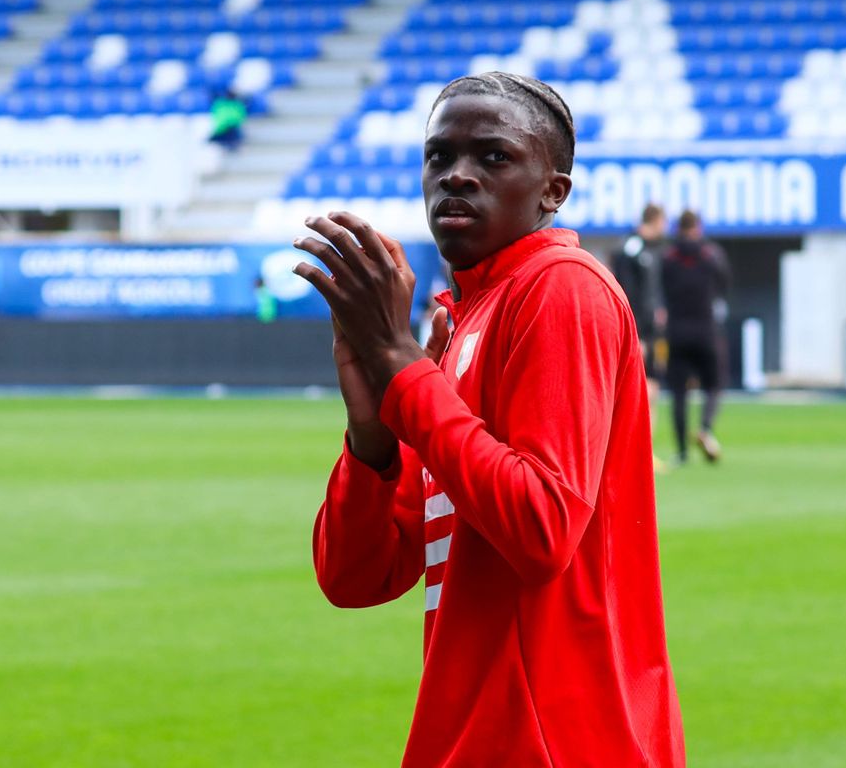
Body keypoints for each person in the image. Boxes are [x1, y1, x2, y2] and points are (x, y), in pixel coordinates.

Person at [292, 72, 685, 767]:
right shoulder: (464, 321)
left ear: (553, 191)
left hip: (555, 743)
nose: (457, 175)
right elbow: (356, 577)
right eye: (439, 156)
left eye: (493, 156)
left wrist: (405, 371)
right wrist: (373, 435)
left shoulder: (561, 287)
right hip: (477, 738)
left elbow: (541, 529)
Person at [660, 209, 729, 465]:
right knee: (714, 384)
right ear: (698, 227)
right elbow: (725, 285)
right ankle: (705, 428)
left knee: (679, 393)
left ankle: (681, 451)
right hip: (705, 330)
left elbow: (662, 289)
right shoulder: (711, 255)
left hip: (677, 331)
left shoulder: (669, 257)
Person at [611, 202, 668, 457]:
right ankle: (632, 452)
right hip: (638, 332)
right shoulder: (631, 249)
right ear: (656, 221)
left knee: (652, 388)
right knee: (638, 391)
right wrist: (637, 334)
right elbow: (628, 293)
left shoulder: (654, 249)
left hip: (651, 331)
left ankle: (646, 453)